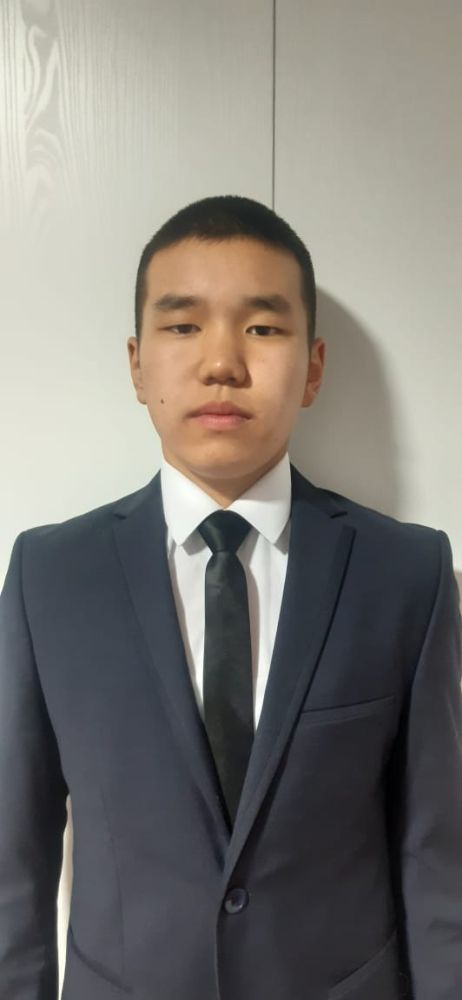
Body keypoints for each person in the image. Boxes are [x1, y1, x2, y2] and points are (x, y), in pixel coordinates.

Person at [0, 195, 461, 1000]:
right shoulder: (50, 576)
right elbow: (15, 855)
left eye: (263, 328)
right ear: (137, 363)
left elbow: (435, 853)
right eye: (183, 326)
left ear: (313, 367)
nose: (222, 362)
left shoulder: (407, 573)